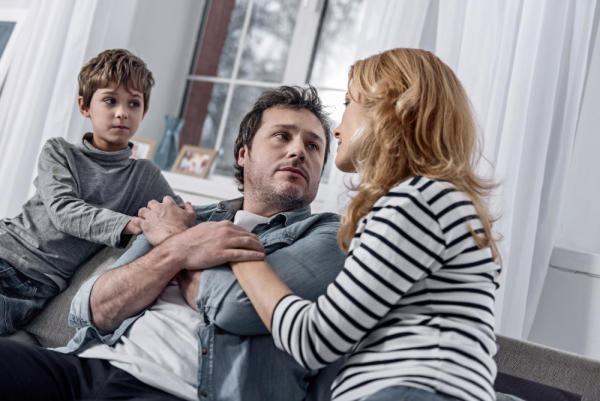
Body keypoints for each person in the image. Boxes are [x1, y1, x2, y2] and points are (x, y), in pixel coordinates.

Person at [0, 86, 346, 401]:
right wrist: (181, 248)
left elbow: (237, 307)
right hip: (87, 366)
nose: (298, 151)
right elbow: (92, 309)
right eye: (282, 136)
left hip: (175, 390)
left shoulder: (329, 236)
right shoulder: (188, 215)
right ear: (244, 154)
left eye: (313, 145)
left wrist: (174, 242)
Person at [226, 48, 502, 401]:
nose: (337, 129)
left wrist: (237, 249)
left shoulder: (416, 199)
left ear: (386, 111)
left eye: (347, 103)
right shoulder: (432, 199)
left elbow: (314, 340)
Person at [0, 48, 183, 336]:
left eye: (133, 104)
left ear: (144, 112)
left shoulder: (144, 176)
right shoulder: (59, 152)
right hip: (6, 249)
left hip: (33, 284)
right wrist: (131, 224)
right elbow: (64, 210)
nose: (122, 112)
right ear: (85, 106)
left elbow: (180, 218)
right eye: (110, 101)